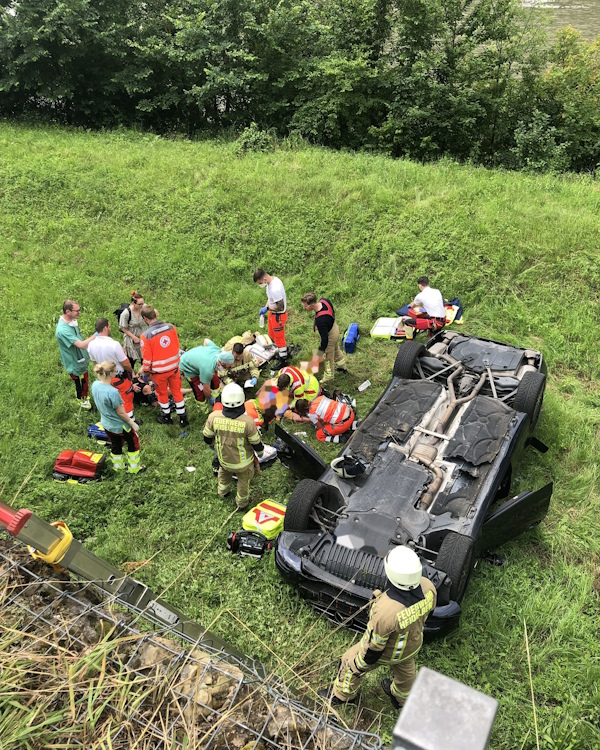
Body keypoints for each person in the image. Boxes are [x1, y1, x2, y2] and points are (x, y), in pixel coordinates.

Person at [319, 546, 437, 709]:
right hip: (411, 646)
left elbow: (374, 647)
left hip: (387, 653)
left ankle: (342, 696)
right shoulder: (429, 587)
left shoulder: (385, 611)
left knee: (349, 663)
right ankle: (401, 699)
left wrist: (361, 663)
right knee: (406, 677)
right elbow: (427, 614)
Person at [203, 383, 266, 509]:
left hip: (224, 460)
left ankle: (223, 492)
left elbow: (207, 438)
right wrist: (260, 454)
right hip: (243, 464)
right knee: (243, 481)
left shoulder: (213, 417)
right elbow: (256, 443)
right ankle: (242, 503)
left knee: (223, 475)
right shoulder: (248, 422)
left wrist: (213, 445)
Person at [90, 361, 146, 475]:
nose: (117, 373)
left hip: (106, 423)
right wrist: (132, 423)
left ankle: (118, 467)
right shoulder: (113, 392)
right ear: (111, 373)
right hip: (120, 426)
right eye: (115, 371)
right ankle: (134, 468)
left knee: (115, 445)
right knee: (133, 443)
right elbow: (121, 412)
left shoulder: (95, 385)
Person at [140, 306, 189, 427]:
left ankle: (166, 417)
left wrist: (146, 371)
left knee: (162, 394)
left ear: (145, 318)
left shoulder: (146, 336)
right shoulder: (171, 327)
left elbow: (147, 358)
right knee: (176, 391)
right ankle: (183, 419)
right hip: (174, 368)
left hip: (159, 372)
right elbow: (177, 345)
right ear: (155, 315)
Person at [88, 317, 138, 421]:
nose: (110, 328)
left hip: (104, 379)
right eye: (109, 326)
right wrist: (131, 371)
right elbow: (125, 363)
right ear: (105, 328)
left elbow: (95, 363)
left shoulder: (91, 345)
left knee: (111, 402)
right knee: (126, 400)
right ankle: (130, 424)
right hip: (119, 378)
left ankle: (115, 420)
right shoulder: (114, 345)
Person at [55, 299, 95, 409]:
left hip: (80, 357)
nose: (79, 312)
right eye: (77, 311)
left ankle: (82, 397)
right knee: (82, 382)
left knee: (83, 380)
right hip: (75, 362)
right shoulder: (63, 330)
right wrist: (96, 335)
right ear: (68, 312)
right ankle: (82, 401)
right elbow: (81, 345)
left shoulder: (71, 321)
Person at [301, 293, 347, 383]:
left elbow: (325, 339)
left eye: (305, 306)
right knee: (336, 349)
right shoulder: (324, 301)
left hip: (330, 336)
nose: (304, 308)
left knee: (328, 356)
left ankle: (329, 376)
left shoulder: (320, 320)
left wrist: (321, 351)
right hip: (335, 328)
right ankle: (342, 366)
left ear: (312, 305)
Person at [180, 339, 235, 409]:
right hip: (187, 367)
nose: (231, 366)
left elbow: (206, 340)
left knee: (215, 381)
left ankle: (217, 398)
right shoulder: (208, 371)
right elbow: (206, 389)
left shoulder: (217, 350)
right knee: (199, 390)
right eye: (229, 365)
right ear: (222, 363)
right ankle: (202, 407)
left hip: (197, 359)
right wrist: (210, 397)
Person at [254, 268, 288, 367]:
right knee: (272, 334)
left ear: (264, 279)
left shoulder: (275, 289)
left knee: (279, 338)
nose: (260, 285)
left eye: (260, 283)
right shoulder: (270, 282)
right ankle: (282, 351)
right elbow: (270, 299)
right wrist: (266, 306)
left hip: (279, 316)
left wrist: (268, 308)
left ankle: (283, 359)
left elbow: (280, 307)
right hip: (273, 314)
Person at [119, 291, 148, 370]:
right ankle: (131, 375)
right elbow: (122, 327)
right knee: (131, 361)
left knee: (145, 360)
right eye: (139, 304)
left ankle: (144, 375)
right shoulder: (126, 313)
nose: (142, 306)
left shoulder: (143, 308)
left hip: (143, 337)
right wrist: (133, 337)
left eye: (142, 303)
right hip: (131, 339)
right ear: (133, 303)